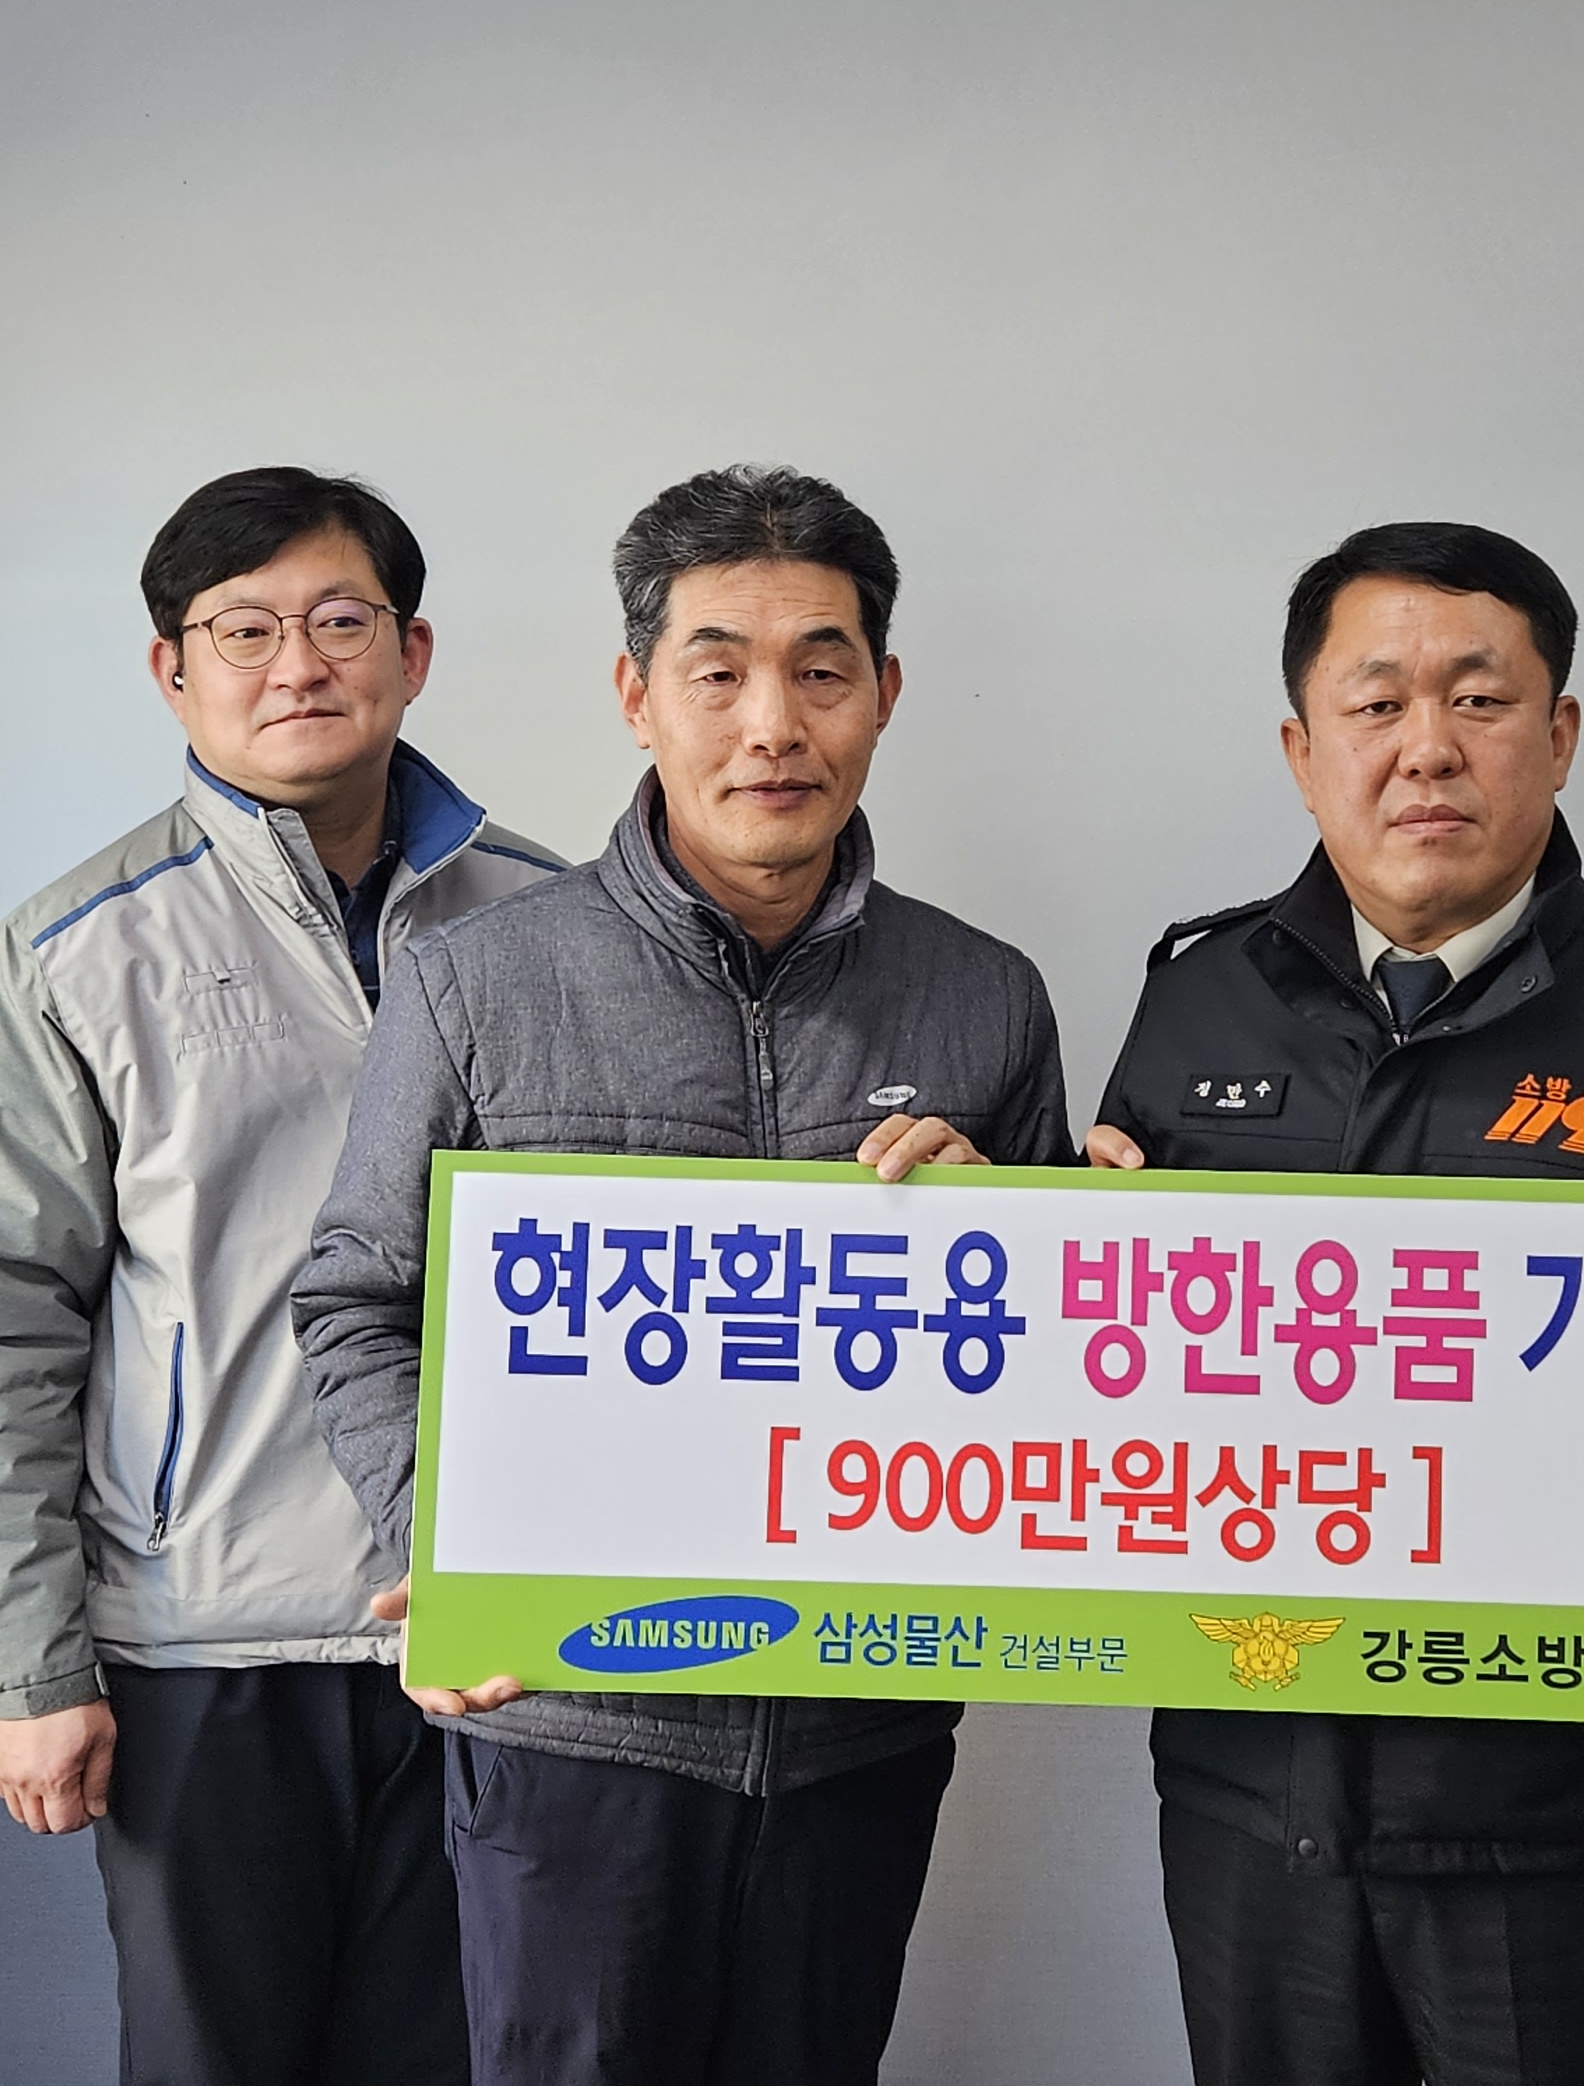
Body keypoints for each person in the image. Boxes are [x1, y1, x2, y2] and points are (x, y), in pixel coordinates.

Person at [1083, 521, 1584, 2086]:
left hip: (1570, 1836)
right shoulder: (1200, 999)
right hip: (1253, 1815)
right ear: (1301, 750)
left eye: (1478, 700)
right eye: (1375, 704)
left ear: (1561, 734)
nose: (1427, 749)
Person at [293, 463, 1072, 2086]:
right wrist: (446, 1538)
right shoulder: (475, 983)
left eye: (821, 670)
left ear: (885, 694)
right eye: (718, 672)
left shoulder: (985, 997)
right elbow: (359, 1298)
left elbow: (1055, 1379)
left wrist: (1021, 1239)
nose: (772, 724)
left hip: (858, 1726)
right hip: (573, 1722)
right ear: (638, 696)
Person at [0, 467, 563, 2084]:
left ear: (412, 652)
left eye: (341, 621)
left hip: (496, 1633)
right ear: (170, 669)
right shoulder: (71, 952)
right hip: (205, 1645)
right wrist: (24, 1667)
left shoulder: (560, 923)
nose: (298, 663)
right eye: (244, 629)